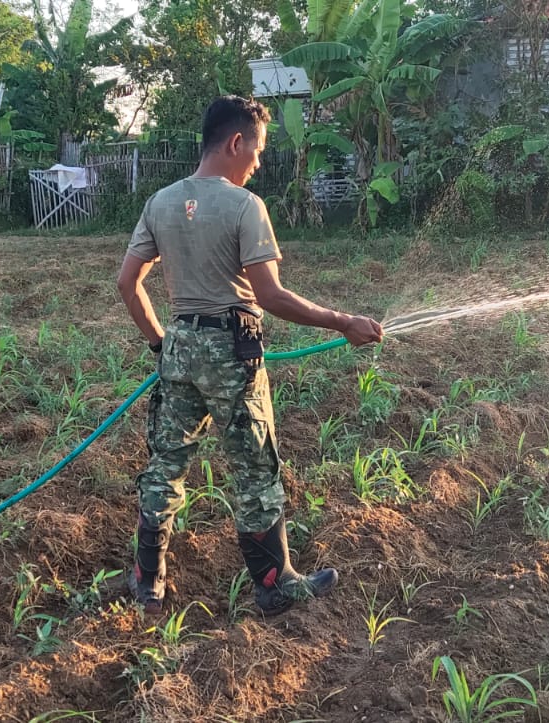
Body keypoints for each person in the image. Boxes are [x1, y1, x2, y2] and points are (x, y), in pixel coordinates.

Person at [116, 96, 385, 617]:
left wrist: (160, 344)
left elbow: (128, 283)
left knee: (166, 463)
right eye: (257, 151)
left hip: (180, 348)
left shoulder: (161, 202)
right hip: (232, 354)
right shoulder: (245, 206)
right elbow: (271, 296)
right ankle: (272, 582)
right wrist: (343, 322)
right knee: (255, 468)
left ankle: (147, 579)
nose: (258, 163)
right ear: (235, 143)